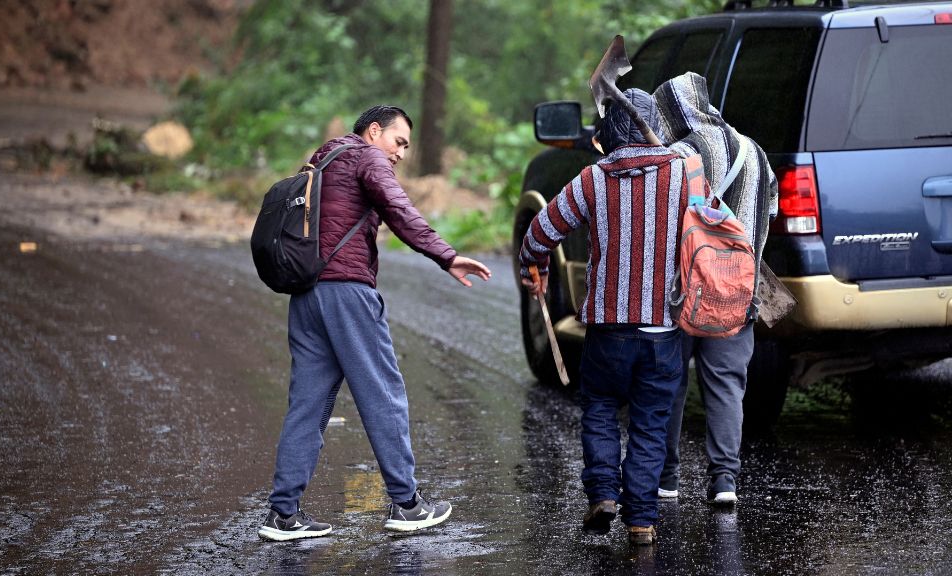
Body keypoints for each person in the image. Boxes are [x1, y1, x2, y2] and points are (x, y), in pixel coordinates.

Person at [258, 105, 492, 542]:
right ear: (373, 131)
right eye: (398, 141)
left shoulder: (320, 160)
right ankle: (407, 504)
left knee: (307, 406)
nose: (400, 153)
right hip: (347, 292)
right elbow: (399, 209)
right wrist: (446, 255)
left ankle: (282, 514)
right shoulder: (368, 158)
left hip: (306, 295)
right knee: (383, 394)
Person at [519, 89, 698, 545]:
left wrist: (532, 268)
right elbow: (713, 229)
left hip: (608, 330)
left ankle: (602, 493)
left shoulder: (594, 178)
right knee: (650, 422)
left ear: (609, 130)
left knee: (599, 407)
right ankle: (641, 521)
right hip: (663, 330)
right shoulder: (683, 173)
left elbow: (540, 232)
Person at [653, 72, 778, 505]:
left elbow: (663, 220)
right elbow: (772, 211)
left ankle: (666, 478)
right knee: (727, 386)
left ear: (674, 112)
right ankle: (724, 480)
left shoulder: (678, 155)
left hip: (684, 292)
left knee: (669, 383)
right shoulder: (756, 152)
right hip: (739, 293)